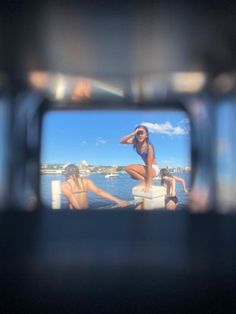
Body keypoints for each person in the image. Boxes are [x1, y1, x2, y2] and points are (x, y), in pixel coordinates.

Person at [61, 164, 128, 209]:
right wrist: (118, 200)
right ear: (78, 172)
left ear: (66, 173)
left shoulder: (65, 185)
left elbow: (72, 199)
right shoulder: (86, 181)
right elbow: (98, 192)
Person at [120, 125, 159, 191]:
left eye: (142, 133)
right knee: (131, 174)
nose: (140, 135)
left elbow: (149, 166)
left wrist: (148, 184)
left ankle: (144, 181)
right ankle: (144, 180)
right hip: (148, 168)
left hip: (153, 169)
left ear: (146, 135)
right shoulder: (136, 142)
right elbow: (122, 141)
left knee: (128, 168)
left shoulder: (149, 147)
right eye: (138, 133)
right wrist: (133, 133)